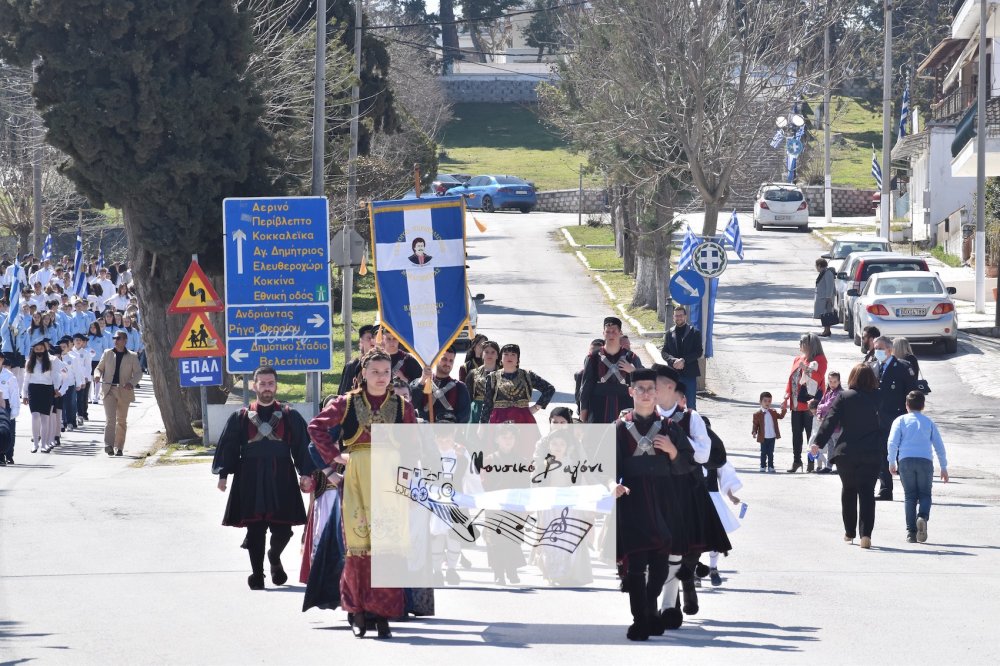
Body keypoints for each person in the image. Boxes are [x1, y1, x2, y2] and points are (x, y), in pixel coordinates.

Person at [307, 349, 415, 639]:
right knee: (358, 549)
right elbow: (315, 427)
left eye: (386, 372)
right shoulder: (347, 403)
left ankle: (382, 613)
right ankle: (355, 609)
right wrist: (335, 458)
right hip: (358, 477)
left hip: (390, 479)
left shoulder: (403, 406)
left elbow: (412, 448)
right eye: (375, 372)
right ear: (363, 374)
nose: (381, 377)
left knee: (388, 548)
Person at [213, 366, 314, 590]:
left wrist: (305, 473)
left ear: (275, 385)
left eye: (270, 383)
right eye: (262, 383)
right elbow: (228, 447)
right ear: (254, 386)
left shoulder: (290, 416)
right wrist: (223, 475)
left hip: (282, 477)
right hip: (250, 477)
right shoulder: (240, 417)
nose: (267, 388)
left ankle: (274, 556)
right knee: (255, 529)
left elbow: (301, 446)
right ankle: (257, 575)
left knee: (284, 529)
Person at [613, 367, 695, 641]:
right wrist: (613, 485)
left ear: (657, 393)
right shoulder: (620, 428)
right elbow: (605, 466)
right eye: (640, 389)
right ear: (631, 392)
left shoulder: (671, 428)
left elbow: (688, 465)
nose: (646, 394)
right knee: (636, 565)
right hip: (633, 499)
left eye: (651, 389)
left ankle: (650, 607)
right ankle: (640, 620)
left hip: (664, 500)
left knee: (660, 567)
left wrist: (673, 453)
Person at [812, 364, 883, 549]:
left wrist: (817, 442)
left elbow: (830, 420)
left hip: (846, 451)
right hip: (871, 452)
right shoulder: (880, 396)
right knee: (867, 492)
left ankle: (849, 531)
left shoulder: (844, 397)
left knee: (849, 490)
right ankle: (866, 535)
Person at [888, 391, 949, 543]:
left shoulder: (900, 421)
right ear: (923, 406)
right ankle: (922, 516)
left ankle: (911, 533)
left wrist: (891, 461)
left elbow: (892, 442)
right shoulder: (928, 422)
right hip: (925, 461)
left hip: (906, 460)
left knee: (909, 497)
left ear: (906, 405)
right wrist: (943, 466)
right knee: (925, 495)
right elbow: (939, 446)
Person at [872, 335, 918, 501]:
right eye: (875, 348)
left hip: (898, 418)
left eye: (880, 348)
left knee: (901, 456)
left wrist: (911, 416)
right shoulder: (873, 367)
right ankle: (885, 490)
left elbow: (912, 393)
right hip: (879, 420)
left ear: (890, 350)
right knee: (882, 454)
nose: (877, 351)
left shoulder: (902, 367)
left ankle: (910, 491)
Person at [580, 316, 643, 423]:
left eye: (614, 331)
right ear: (603, 333)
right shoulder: (593, 358)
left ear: (620, 333)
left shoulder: (631, 357)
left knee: (622, 438)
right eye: (608, 331)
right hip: (598, 408)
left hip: (625, 407)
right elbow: (586, 386)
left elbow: (645, 382)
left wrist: (633, 371)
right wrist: (583, 412)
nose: (611, 334)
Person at [93, 330, 143, 456]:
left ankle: (119, 447)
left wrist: (131, 383)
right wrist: (97, 375)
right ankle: (108, 445)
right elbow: (99, 368)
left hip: (124, 391)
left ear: (125, 340)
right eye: (114, 338)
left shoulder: (132, 356)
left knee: (121, 420)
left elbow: (138, 373)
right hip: (108, 390)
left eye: (118, 338)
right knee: (110, 419)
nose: (115, 340)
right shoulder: (107, 353)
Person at [783, 333, 827, 473]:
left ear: (809, 345)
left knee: (811, 434)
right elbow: (792, 379)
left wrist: (805, 367)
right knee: (796, 434)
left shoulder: (820, 359)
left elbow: (818, 377)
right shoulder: (798, 359)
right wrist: (786, 395)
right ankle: (796, 461)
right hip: (796, 403)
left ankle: (811, 462)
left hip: (810, 403)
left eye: (801, 343)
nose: (799, 345)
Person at [479, 343, 555, 424]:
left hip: (523, 418)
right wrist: (482, 425)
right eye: (506, 354)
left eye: (513, 354)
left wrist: (536, 407)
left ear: (518, 359)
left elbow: (549, 389)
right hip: (499, 419)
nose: (509, 357)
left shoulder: (527, 375)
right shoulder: (492, 377)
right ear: (501, 358)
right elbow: (487, 404)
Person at [21, 339, 63, 453]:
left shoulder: (51, 361)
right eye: (36, 349)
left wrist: (56, 389)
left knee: (45, 417)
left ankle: (44, 444)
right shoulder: (29, 361)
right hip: (33, 389)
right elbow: (26, 379)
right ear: (33, 350)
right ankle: (35, 443)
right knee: (35, 416)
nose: (39, 351)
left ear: (45, 349)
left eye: (41, 348)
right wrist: (24, 394)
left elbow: (55, 376)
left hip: (47, 389)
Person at [409, 346, 472, 424]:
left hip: (449, 433)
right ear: (436, 360)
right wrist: (422, 381)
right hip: (425, 432)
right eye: (444, 359)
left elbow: (464, 416)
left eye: (451, 361)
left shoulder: (460, 387)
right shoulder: (422, 382)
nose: (447, 363)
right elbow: (411, 404)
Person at [661, 306, 703, 410]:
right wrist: (673, 360)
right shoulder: (669, 333)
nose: (679, 318)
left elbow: (698, 352)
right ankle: (673, 425)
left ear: (685, 316)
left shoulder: (695, 332)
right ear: (673, 317)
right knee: (671, 405)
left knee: (691, 405)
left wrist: (684, 360)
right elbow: (664, 351)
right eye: (676, 316)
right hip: (673, 375)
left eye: (681, 315)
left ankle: (691, 425)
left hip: (689, 374)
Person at [809, 371, 843, 474]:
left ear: (839, 381)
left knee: (838, 446)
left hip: (836, 425)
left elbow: (828, 405)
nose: (832, 384)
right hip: (827, 425)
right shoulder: (828, 392)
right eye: (830, 381)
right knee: (830, 446)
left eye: (835, 381)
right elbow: (821, 403)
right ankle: (828, 466)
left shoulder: (839, 393)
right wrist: (819, 414)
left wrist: (820, 407)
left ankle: (839, 467)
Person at [464, 340, 499, 423]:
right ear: (482, 354)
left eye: (493, 352)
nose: (489, 355)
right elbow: (468, 397)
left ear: (497, 355)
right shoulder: (473, 373)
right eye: (486, 352)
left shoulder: (504, 373)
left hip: (497, 411)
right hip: (477, 411)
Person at [752, 391, 787, 473]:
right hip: (763, 437)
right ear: (760, 402)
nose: (767, 403)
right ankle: (762, 466)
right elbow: (755, 424)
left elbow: (781, 416)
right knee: (763, 452)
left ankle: (771, 466)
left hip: (772, 436)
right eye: (765, 401)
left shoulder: (773, 412)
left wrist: (784, 409)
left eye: (769, 401)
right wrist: (754, 432)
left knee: (771, 452)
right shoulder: (757, 414)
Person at [337, 324, 376, 395]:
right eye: (369, 338)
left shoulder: (384, 364)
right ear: (361, 341)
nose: (372, 341)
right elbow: (344, 393)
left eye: (374, 338)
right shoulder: (352, 365)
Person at [0, 354, 22, 465]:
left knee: (9, 431)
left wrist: (15, 410)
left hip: (5, 406)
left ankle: (8, 454)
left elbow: (14, 394)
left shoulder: (9, 376)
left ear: (2, 360)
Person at [814, 258, 837, 337]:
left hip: (826, 298)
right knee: (824, 315)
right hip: (822, 297)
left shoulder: (828, 273)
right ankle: (826, 330)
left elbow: (830, 286)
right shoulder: (823, 272)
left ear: (819, 265)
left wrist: (828, 297)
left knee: (827, 314)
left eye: (816, 266)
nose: (816, 267)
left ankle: (827, 331)